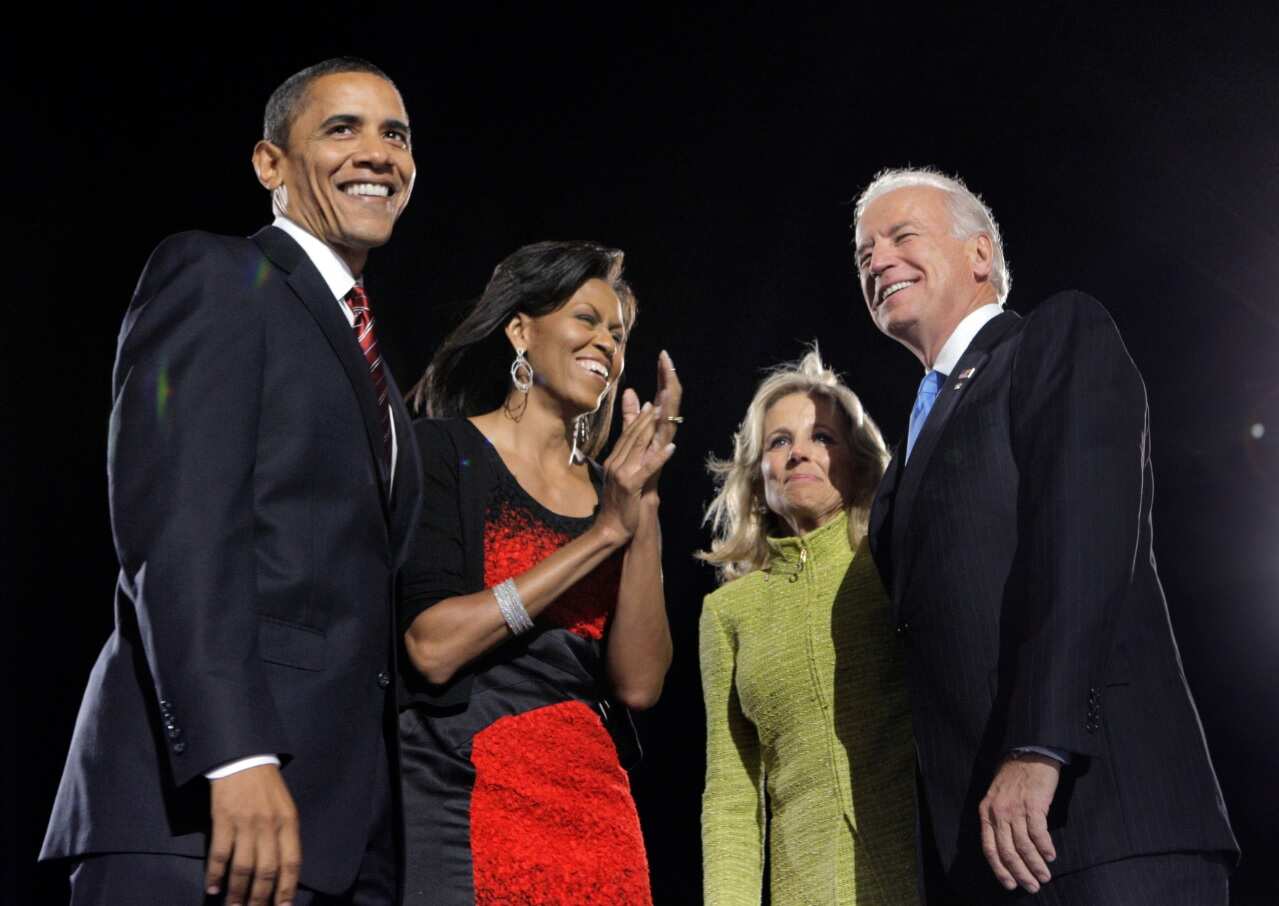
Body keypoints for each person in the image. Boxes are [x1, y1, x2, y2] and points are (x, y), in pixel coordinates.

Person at [41, 58, 422, 906]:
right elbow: (176, 532)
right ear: (269, 165)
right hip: (200, 821)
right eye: (342, 129)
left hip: (335, 838)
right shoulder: (218, 278)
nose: (377, 153)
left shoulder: (377, 371)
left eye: (394, 134)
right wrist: (236, 753)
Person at [852, 167, 1238, 904]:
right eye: (864, 251)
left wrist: (1038, 744)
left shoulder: (1054, 338)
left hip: (1102, 823)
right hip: (988, 854)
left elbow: (1083, 545)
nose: (876, 259)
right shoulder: (904, 451)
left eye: (902, 235)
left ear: (979, 255)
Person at [396, 240, 680, 905]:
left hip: (596, 815)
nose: (606, 344)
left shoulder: (610, 494)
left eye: (617, 334)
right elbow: (432, 648)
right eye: (586, 320)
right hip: (461, 791)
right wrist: (603, 534)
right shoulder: (440, 452)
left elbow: (638, 685)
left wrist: (640, 511)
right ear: (521, 329)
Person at [697, 348, 919, 905]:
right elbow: (731, 793)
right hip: (806, 888)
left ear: (859, 460)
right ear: (758, 472)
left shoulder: (899, 563)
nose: (800, 453)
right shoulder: (728, 613)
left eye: (822, 437)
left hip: (925, 875)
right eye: (779, 442)